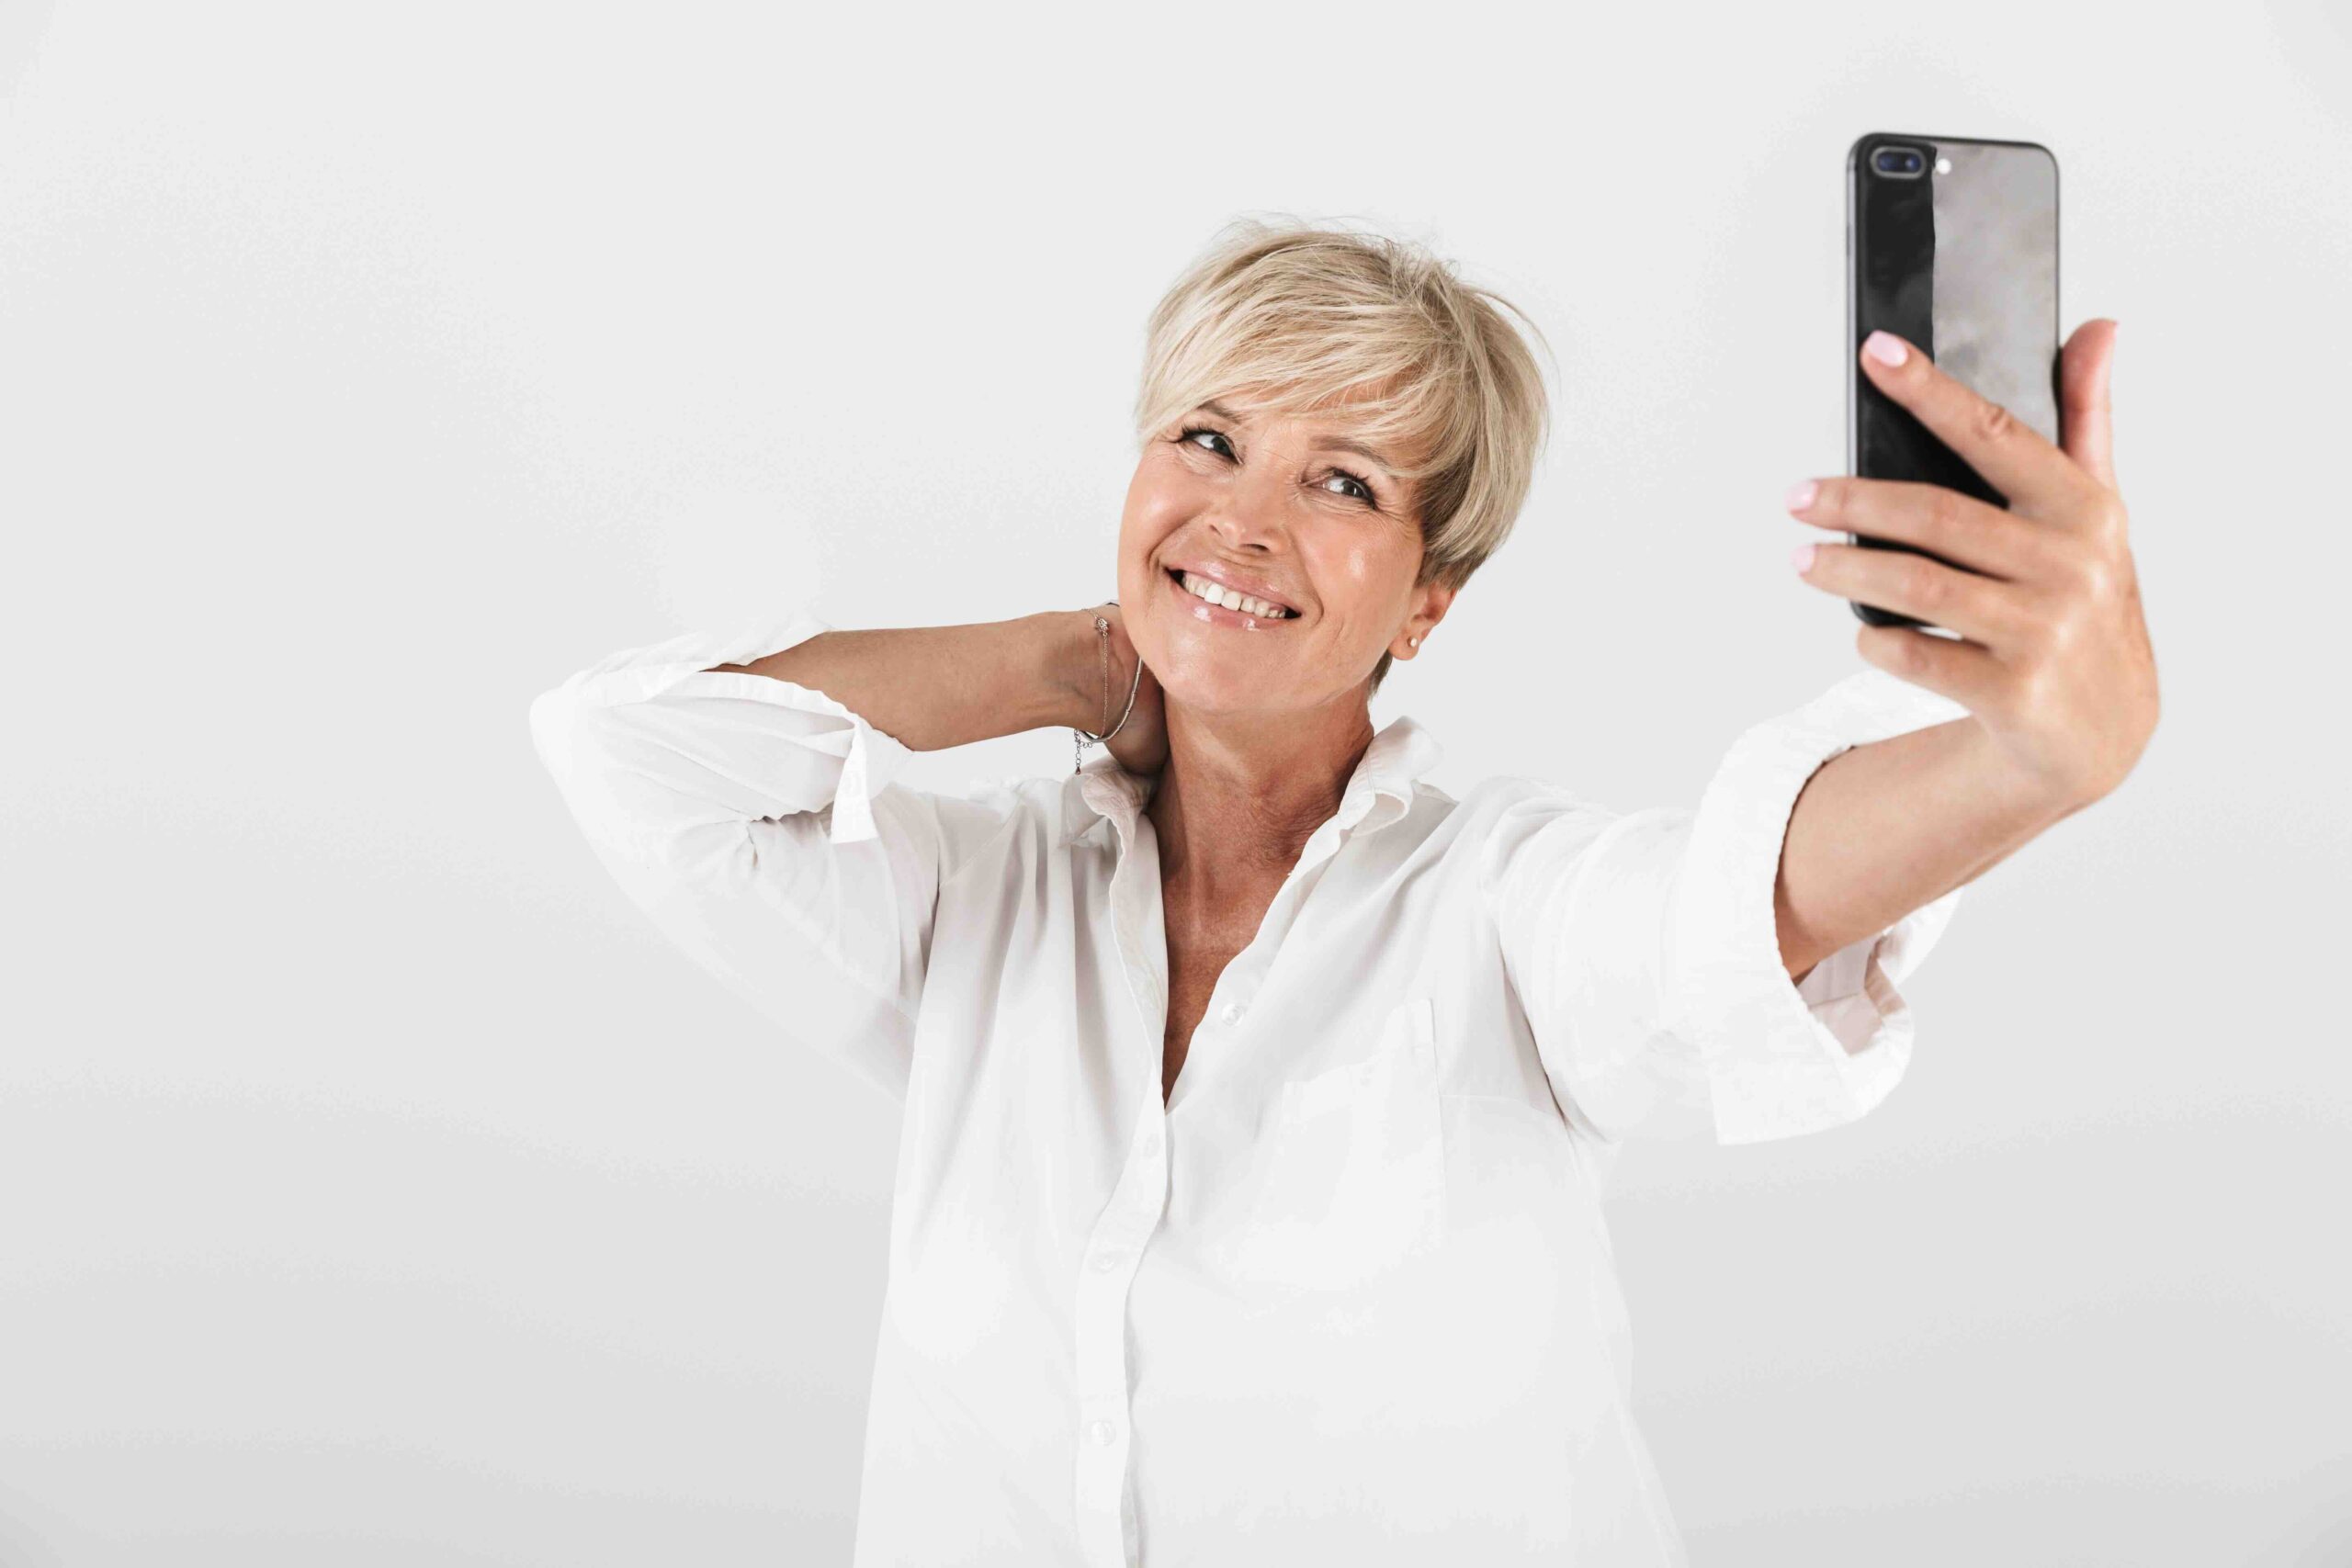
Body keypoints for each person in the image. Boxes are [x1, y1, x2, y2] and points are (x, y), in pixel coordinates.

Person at [526, 217, 2119, 1565]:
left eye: (1345, 485)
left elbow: (1732, 900)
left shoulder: (1502, 905)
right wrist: (1091, 656)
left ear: (1430, 598)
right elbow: (629, 751)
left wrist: (2029, 759)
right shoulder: (976, 898)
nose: (1244, 516)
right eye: (1207, 442)